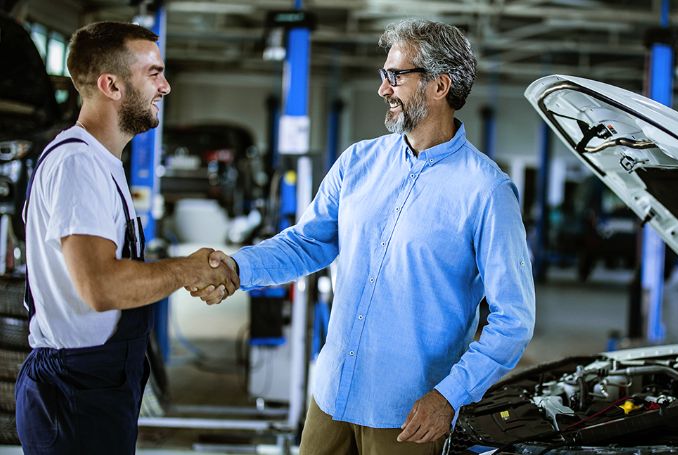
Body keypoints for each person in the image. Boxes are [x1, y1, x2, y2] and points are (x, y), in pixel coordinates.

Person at [198, 18, 535, 455]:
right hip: (333, 395)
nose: (383, 89)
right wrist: (238, 267)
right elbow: (308, 242)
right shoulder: (358, 162)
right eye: (383, 75)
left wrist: (451, 395)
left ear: (439, 86)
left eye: (395, 76)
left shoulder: (487, 191)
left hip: (410, 415)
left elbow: (513, 319)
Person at [15, 21, 239, 455]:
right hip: (73, 394)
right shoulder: (78, 165)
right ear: (111, 85)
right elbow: (101, 287)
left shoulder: (101, 162)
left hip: (95, 385)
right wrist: (186, 268)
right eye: (153, 73)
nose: (166, 86)